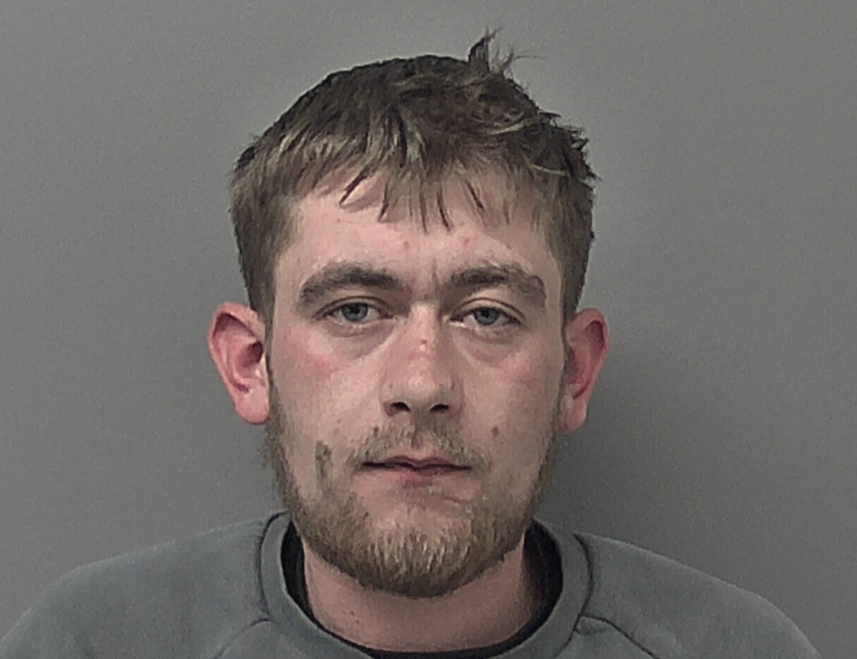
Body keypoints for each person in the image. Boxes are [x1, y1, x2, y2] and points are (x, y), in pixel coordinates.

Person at [0, 34, 820, 659]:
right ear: (251, 364)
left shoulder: (735, 647)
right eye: (355, 309)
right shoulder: (90, 641)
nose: (422, 382)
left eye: (486, 314)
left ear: (573, 372)